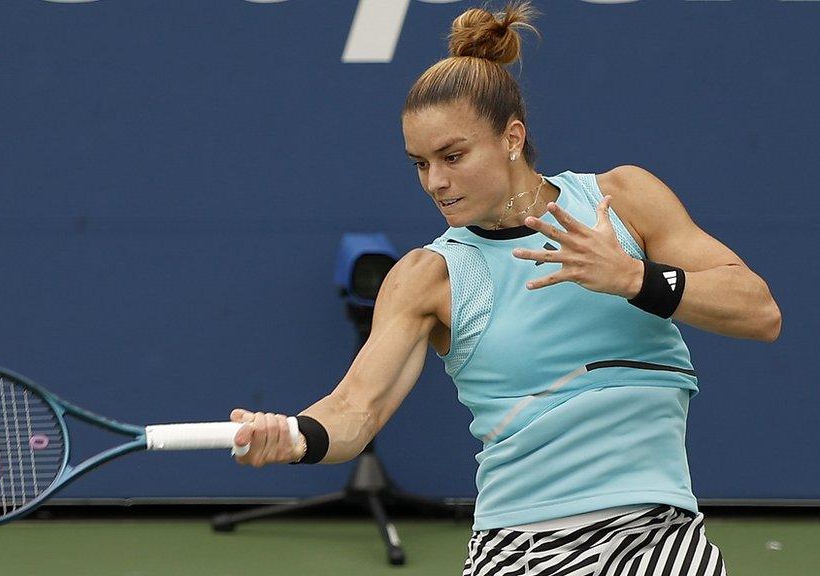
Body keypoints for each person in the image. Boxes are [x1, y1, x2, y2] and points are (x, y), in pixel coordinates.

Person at [229, 3, 781, 574]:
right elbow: (354, 411)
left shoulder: (624, 202)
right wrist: (293, 437)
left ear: (512, 138)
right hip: (522, 550)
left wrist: (634, 278)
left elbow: (760, 310)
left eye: (452, 156)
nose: (435, 182)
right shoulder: (429, 276)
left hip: (662, 541)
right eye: (419, 164)